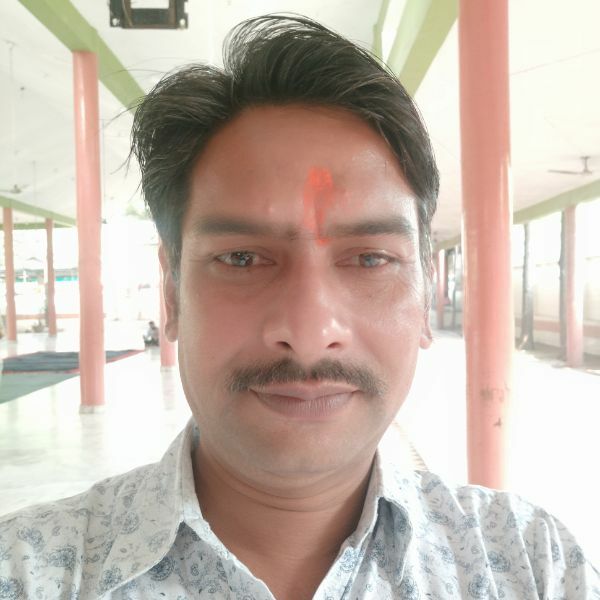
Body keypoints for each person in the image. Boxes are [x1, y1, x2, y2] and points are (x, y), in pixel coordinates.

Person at [0, 15, 598, 600]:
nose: (310, 334)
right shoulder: (28, 573)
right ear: (173, 292)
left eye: (370, 259)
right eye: (241, 258)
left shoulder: (531, 565)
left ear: (424, 296)